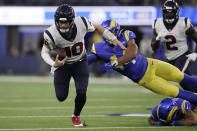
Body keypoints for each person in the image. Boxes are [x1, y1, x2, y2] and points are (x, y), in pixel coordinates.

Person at [41, 4, 125, 127]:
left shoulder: (81, 22)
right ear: (56, 21)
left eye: (66, 22)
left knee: (81, 92)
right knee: (61, 97)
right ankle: (58, 77)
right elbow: (44, 52)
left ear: (72, 20)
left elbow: (97, 27)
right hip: (62, 65)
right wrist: (54, 63)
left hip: (80, 62)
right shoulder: (51, 33)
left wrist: (112, 38)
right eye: (60, 22)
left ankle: (75, 116)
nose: (63, 25)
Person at [88, 19, 197, 108]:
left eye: (111, 32)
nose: (108, 35)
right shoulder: (99, 48)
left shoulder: (126, 35)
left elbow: (132, 54)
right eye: (106, 32)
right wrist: (73, 61)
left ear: (116, 31)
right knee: (175, 92)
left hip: (151, 63)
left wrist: (114, 62)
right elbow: (86, 61)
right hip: (146, 79)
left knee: (180, 76)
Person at [151, 0, 197, 92]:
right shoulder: (157, 23)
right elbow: (153, 47)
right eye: (166, 13)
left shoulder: (184, 23)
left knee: (179, 75)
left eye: (171, 12)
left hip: (183, 55)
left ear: (176, 12)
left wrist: (195, 53)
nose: (169, 15)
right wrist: (157, 39)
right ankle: (193, 99)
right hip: (169, 58)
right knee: (186, 82)